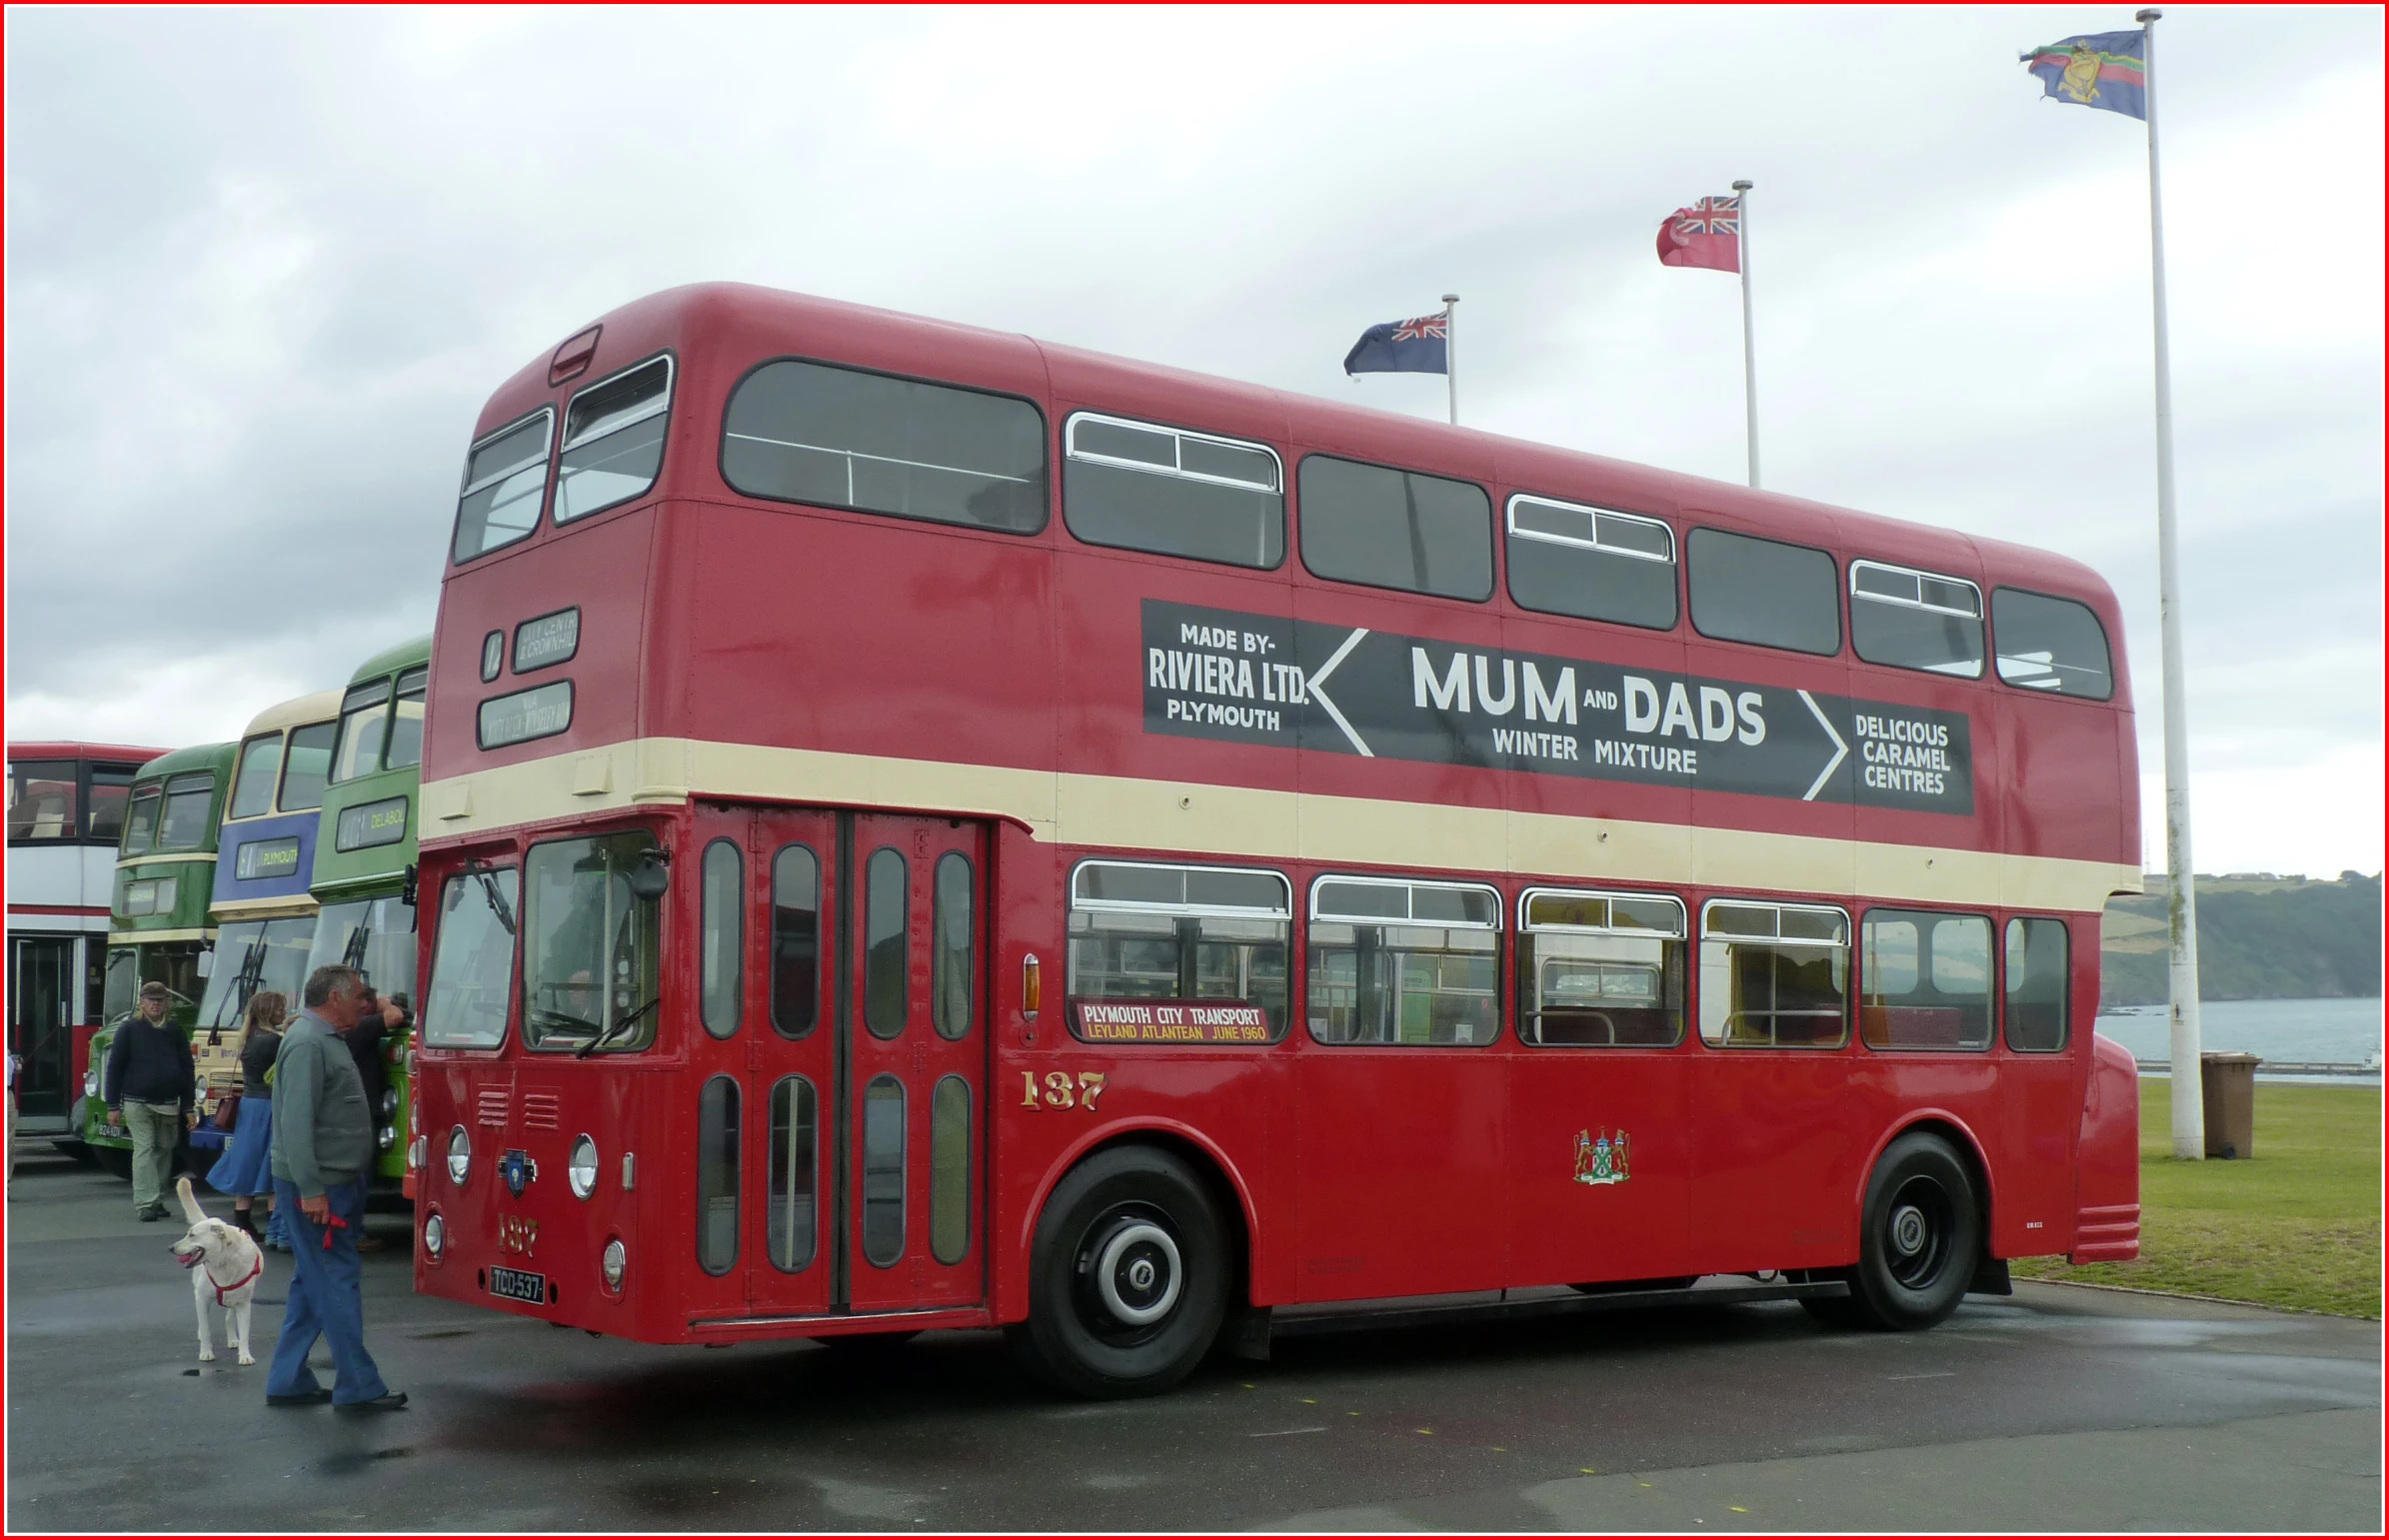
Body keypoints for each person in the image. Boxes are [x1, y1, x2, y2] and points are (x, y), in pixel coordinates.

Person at [264, 964, 405, 1413]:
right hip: (322, 1187)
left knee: (313, 1281)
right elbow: (295, 1123)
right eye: (358, 996)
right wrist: (311, 1188)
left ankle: (287, 1379)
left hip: (331, 1183)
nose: (365, 1005)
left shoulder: (321, 1039)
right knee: (336, 1280)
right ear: (335, 998)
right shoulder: (308, 1043)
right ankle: (358, 1385)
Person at [104, 981, 197, 1220]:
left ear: (167, 1003)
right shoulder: (129, 1029)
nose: (155, 1004)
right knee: (144, 1148)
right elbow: (114, 1068)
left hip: (168, 1102)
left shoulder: (175, 1032)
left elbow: (188, 1069)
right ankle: (145, 1202)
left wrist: (188, 1106)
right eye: (150, 999)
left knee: (165, 1150)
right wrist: (113, 1105)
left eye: (159, 999)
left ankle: (156, 1199)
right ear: (141, 1003)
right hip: (137, 1101)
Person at [205, 990, 290, 1249]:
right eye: (280, 1009)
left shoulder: (250, 1037)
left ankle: (242, 1218)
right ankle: (275, 1223)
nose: (284, 1012)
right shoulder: (275, 1041)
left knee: (248, 1160)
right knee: (273, 1162)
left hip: (250, 1105)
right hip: (270, 1105)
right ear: (270, 1011)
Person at [342, 987, 408, 1252]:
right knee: (359, 1176)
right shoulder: (360, 1027)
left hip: (349, 1109)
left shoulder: (342, 1029)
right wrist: (384, 1004)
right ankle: (354, 1235)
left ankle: (347, 1233)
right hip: (363, 1109)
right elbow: (395, 1017)